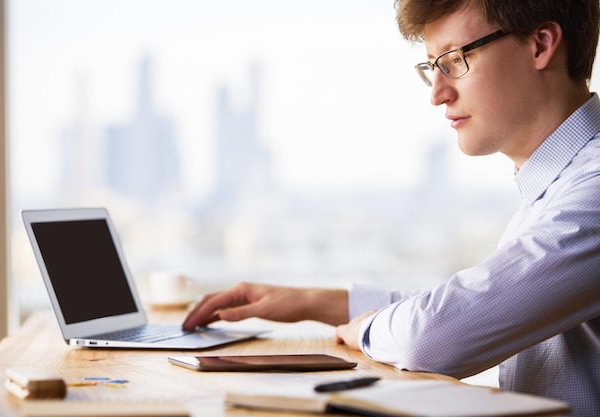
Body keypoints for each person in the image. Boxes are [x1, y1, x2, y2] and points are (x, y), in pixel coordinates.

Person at [184, 1, 600, 415]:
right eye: (432, 66)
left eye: (455, 59)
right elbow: (474, 303)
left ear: (541, 45)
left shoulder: (592, 192)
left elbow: (434, 336)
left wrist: (363, 328)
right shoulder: (560, 185)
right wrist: (311, 301)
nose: (438, 94)